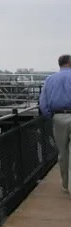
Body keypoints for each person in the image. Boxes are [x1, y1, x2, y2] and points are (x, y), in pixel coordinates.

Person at [38, 54, 71, 193]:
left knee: (63, 152)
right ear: (69, 63)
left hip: (58, 117)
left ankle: (65, 183)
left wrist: (50, 115)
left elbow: (43, 102)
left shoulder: (50, 79)